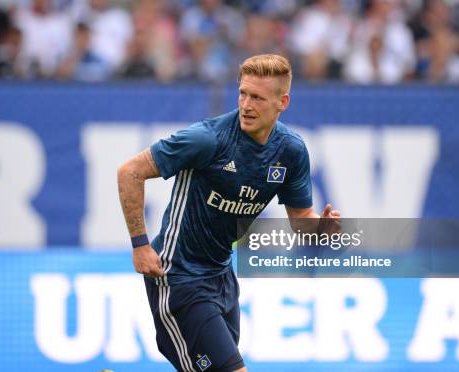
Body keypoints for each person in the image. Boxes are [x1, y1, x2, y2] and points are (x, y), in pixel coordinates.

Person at [117, 54, 340, 371]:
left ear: (282, 102)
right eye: (243, 93)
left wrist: (319, 229)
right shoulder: (208, 139)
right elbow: (130, 172)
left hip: (222, 278)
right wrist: (140, 244)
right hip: (178, 277)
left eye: (258, 97)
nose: (246, 105)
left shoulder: (291, 151)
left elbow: (301, 221)